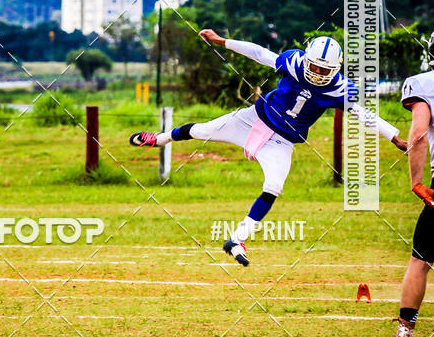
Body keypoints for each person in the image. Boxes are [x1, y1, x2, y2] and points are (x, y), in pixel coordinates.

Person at [130, 29, 407, 266]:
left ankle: (236, 240)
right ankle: (160, 138)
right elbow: (259, 53)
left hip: (282, 140)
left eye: (325, 70)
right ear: (307, 60)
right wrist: (222, 41)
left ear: (336, 69)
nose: (319, 73)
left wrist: (394, 137)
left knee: (274, 185)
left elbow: (362, 114)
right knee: (204, 130)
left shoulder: (339, 90)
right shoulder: (294, 62)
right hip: (255, 119)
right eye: (315, 67)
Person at [378, 24, 434, 337]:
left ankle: (404, 336)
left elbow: (419, 135)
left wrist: (416, 183)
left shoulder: (422, 83)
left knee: (420, 260)